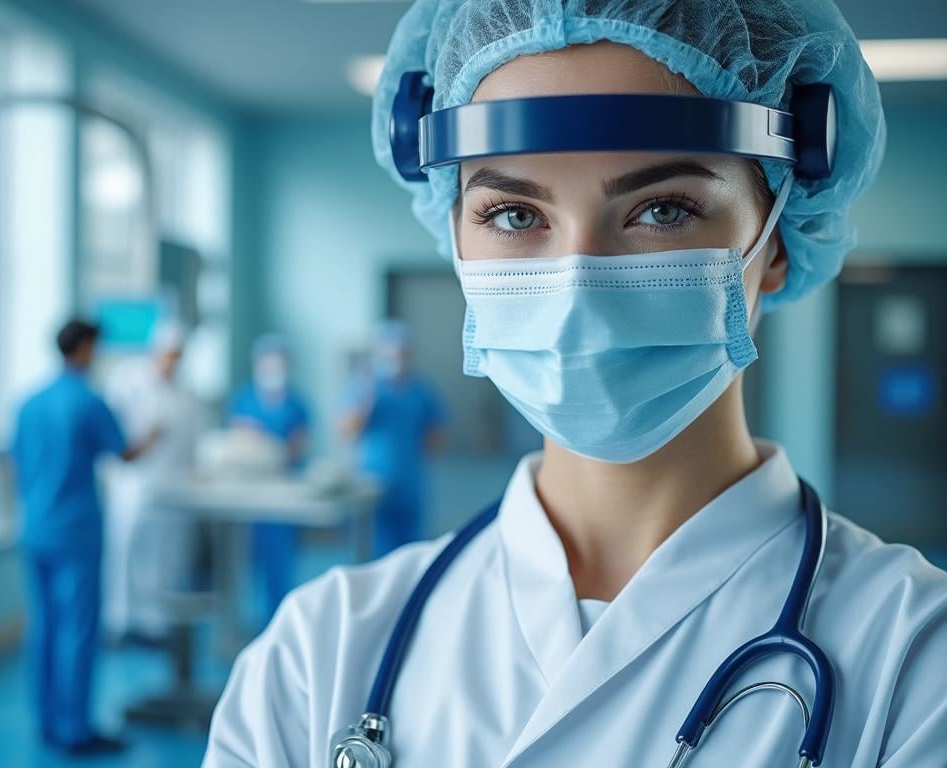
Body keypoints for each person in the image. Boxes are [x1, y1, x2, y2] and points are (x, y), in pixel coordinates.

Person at [203, 2, 947, 766]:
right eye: (515, 213)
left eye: (664, 209)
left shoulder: (918, 664)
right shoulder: (313, 659)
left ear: (779, 242)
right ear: (455, 238)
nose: (577, 281)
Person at [12, 319, 158, 754]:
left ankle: (47, 720)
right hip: (74, 532)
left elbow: (15, 465)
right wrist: (153, 435)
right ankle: (75, 730)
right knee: (77, 629)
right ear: (85, 347)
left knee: (44, 626)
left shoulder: (28, 403)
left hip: (35, 527)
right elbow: (125, 453)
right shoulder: (88, 402)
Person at [104, 320, 205, 644]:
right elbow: (111, 432)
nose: (173, 361)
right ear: (156, 351)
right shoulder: (127, 380)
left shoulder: (186, 394)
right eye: (169, 354)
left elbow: (194, 442)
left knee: (165, 556)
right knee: (125, 550)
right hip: (132, 484)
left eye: (179, 355)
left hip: (173, 486)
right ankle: (120, 622)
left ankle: (155, 624)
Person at [340, 321, 447, 557]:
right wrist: (366, 400)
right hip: (373, 485)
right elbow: (347, 431)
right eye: (391, 354)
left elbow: (436, 437)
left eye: (402, 354)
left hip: (410, 484)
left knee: (410, 556)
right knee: (376, 554)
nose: (397, 360)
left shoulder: (421, 391)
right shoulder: (365, 389)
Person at [228, 335, 310, 624]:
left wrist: (272, 451)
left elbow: (299, 444)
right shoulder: (245, 399)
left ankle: (277, 619)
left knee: (279, 561)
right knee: (243, 561)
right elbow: (238, 442)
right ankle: (245, 622)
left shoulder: (296, 403)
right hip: (248, 490)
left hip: (285, 491)